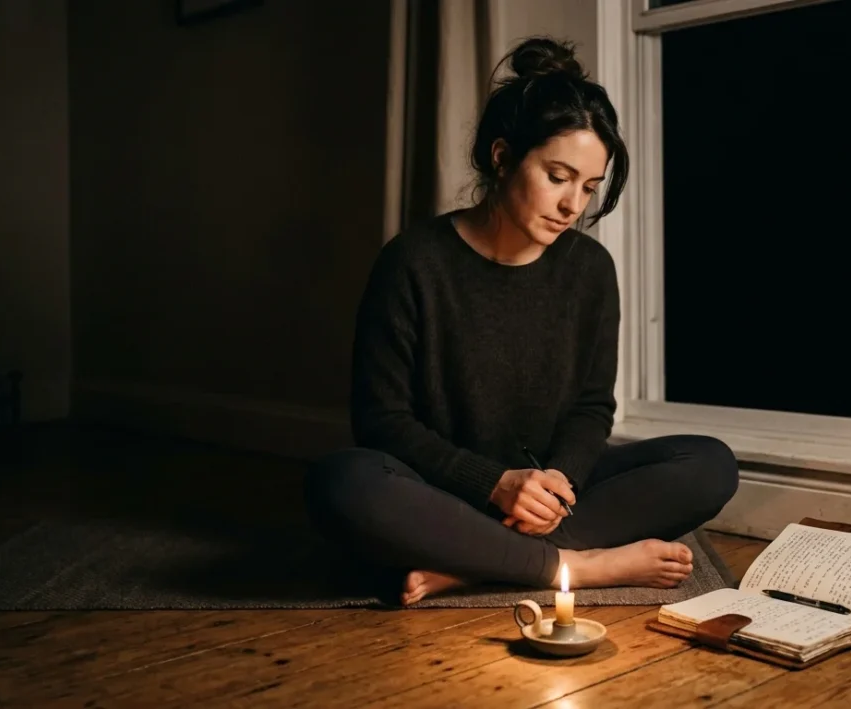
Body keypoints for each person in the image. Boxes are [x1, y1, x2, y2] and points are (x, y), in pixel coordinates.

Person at [304, 36, 739, 606]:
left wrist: (559, 484)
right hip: (444, 492)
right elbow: (382, 420)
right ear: (503, 157)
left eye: (588, 187)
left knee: (708, 464)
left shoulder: (589, 270)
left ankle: (471, 564)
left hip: (546, 498)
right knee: (343, 482)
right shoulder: (413, 261)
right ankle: (575, 566)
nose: (572, 205)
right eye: (558, 176)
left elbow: (590, 407)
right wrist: (495, 484)